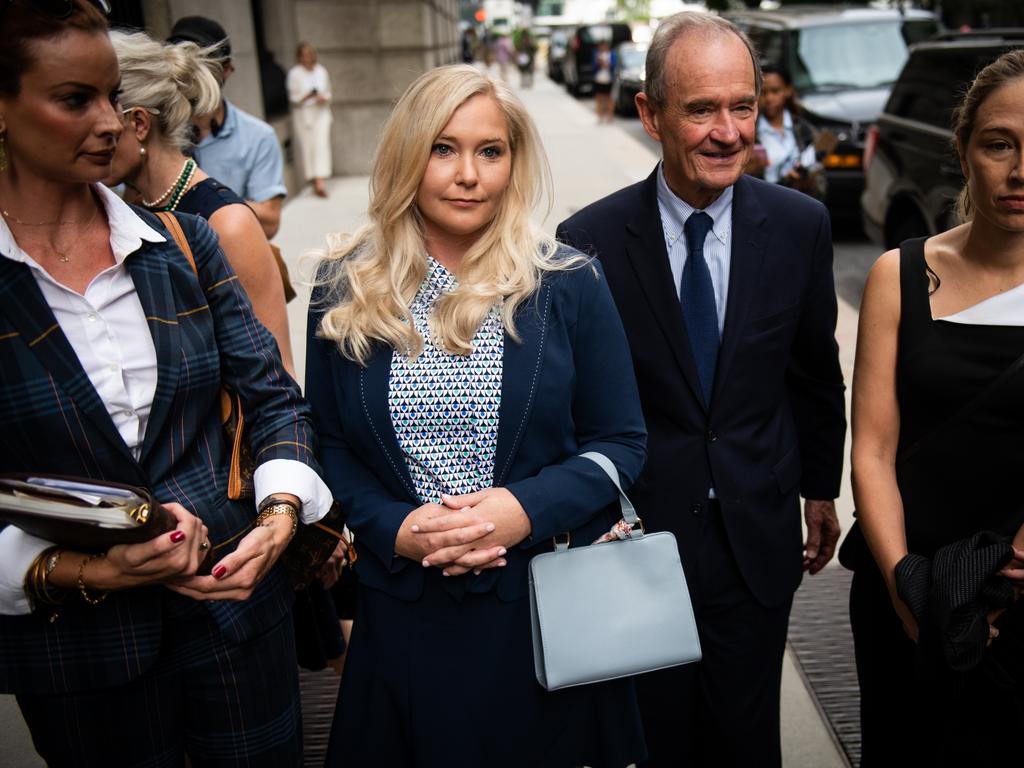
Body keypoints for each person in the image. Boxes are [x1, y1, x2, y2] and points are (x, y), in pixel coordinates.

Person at [0, 3, 333, 765]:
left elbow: (274, 397)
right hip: (78, 658)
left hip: (238, 621)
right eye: (74, 99)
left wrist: (279, 518)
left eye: (113, 98)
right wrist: (86, 570)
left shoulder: (179, 244)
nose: (111, 123)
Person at [305, 63, 648, 767]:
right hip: (403, 611)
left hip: (539, 605)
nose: (469, 174)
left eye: (490, 151)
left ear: (513, 161)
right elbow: (329, 443)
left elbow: (621, 442)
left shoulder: (565, 281)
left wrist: (525, 508)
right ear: (408, 154)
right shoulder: (345, 285)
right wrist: (392, 527)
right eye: (444, 148)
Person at [557, 12, 846, 767]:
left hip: (757, 536)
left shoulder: (799, 226)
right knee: (651, 743)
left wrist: (821, 489)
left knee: (747, 742)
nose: (728, 132)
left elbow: (814, 372)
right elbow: (573, 408)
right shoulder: (584, 243)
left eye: (743, 106)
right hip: (637, 547)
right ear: (650, 113)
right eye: (701, 109)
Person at [847, 49, 1024, 766]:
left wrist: (1014, 568)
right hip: (906, 584)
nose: (1019, 171)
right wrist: (904, 589)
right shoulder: (900, 274)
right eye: (998, 144)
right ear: (962, 149)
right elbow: (872, 451)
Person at [105, 30, 295, 376]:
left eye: (101, 109)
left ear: (139, 123)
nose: (90, 128)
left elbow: (278, 378)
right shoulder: (125, 206)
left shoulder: (228, 224)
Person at [167, 16, 287, 239]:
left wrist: (203, 198)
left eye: (203, 64)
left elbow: (270, 222)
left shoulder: (258, 136)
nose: (190, 76)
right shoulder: (156, 131)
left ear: (226, 70)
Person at [748, 62, 828, 200]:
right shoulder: (750, 132)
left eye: (775, 91)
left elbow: (820, 179)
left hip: (801, 203)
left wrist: (807, 180)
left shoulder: (804, 130)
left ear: (788, 90)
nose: (769, 99)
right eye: (764, 92)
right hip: (765, 204)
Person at [286, 42, 332, 198]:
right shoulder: (295, 73)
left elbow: (328, 92)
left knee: (321, 146)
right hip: (304, 115)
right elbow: (293, 98)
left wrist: (322, 97)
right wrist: (307, 96)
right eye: (304, 54)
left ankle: (320, 182)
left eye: (309, 54)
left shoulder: (321, 71)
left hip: (321, 113)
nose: (307, 57)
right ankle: (314, 180)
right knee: (308, 147)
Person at [593, 40, 615, 124]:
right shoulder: (597, 55)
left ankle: (609, 116)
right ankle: (600, 116)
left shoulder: (611, 54)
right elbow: (593, 67)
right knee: (599, 98)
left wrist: (607, 64)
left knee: (609, 98)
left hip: (609, 79)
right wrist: (599, 63)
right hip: (599, 79)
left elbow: (614, 65)